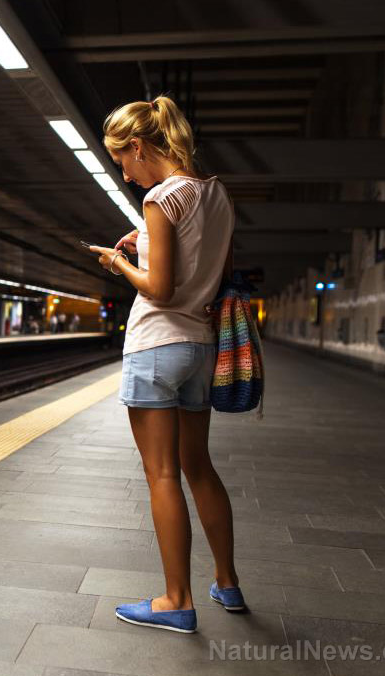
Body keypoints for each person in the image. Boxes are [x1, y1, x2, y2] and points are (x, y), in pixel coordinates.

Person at [87, 96, 242, 634]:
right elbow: (212, 268)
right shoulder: (215, 192)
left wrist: (119, 262)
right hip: (200, 346)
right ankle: (227, 582)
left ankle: (176, 600)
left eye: (122, 162)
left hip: (156, 345)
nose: (126, 176)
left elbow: (160, 288)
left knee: (161, 475)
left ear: (138, 146)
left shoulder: (160, 197)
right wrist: (148, 244)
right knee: (199, 467)